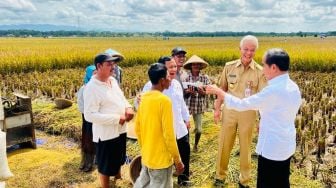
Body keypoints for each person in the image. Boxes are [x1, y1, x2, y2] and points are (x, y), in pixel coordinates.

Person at [206, 48, 302, 188]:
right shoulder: (293, 86)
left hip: (271, 148)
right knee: (282, 181)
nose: (263, 70)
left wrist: (219, 92)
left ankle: (243, 179)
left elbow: (243, 104)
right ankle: (221, 174)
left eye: (265, 65)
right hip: (286, 146)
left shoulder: (272, 90)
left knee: (266, 182)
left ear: (273, 67)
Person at [213, 35, 267, 187]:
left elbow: (263, 97)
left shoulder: (260, 72)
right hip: (229, 111)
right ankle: (220, 176)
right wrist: (217, 109)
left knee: (245, 147)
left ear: (256, 51)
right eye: (246, 49)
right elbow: (222, 89)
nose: (248, 53)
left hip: (248, 114)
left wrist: (262, 119)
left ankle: (244, 180)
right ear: (240, 49)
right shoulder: (229, 67)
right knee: (224, 144)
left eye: (252, 50)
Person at [83, 53, 134, 188]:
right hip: (106, 133)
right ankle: (105, 185)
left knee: (119, 155)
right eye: (109, 64)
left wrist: (128, 107)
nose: (113, 67)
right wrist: (117, 119)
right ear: (99, 66)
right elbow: (90, 115)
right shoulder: (92, 87)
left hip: (120, 129)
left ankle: (118, 176)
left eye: (114, 64)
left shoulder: (113, 81)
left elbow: (122, 98)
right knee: (105, 163)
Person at [142, 56, 191, 186]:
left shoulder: (176, 84)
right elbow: (141, 107)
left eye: (175, 66)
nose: (174, 69)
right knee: (165, 160)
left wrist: (187, 118)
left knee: (184, 153)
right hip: (162, 132)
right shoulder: (149, 87)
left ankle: (183, 180)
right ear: (163, 69)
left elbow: (182, 104)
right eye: (170, 67)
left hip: (179, 128)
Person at [181, 55, 211, 152]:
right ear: (190, 66)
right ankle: (187, 145)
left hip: (198, 106)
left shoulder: (205, 78)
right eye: (194, 64)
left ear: (200, 66)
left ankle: (196, 145)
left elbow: (208, 91)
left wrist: (202, 92)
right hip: (187, 105)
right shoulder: (185, 77)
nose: (196, 66)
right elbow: (182, 92)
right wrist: (188, 91)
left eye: (198, 64)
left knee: (199, 130)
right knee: (185, 128)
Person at [77, 65, 96, 172]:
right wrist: (88, 113)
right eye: (93, 73)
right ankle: (85, 161)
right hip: (87, 117)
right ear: (89, 75)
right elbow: (80, 104)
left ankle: (92, 162)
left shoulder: (96, 87)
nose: (95, 75)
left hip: (96, 117)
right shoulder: (84, 88)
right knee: (87, 138)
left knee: (94, 138)